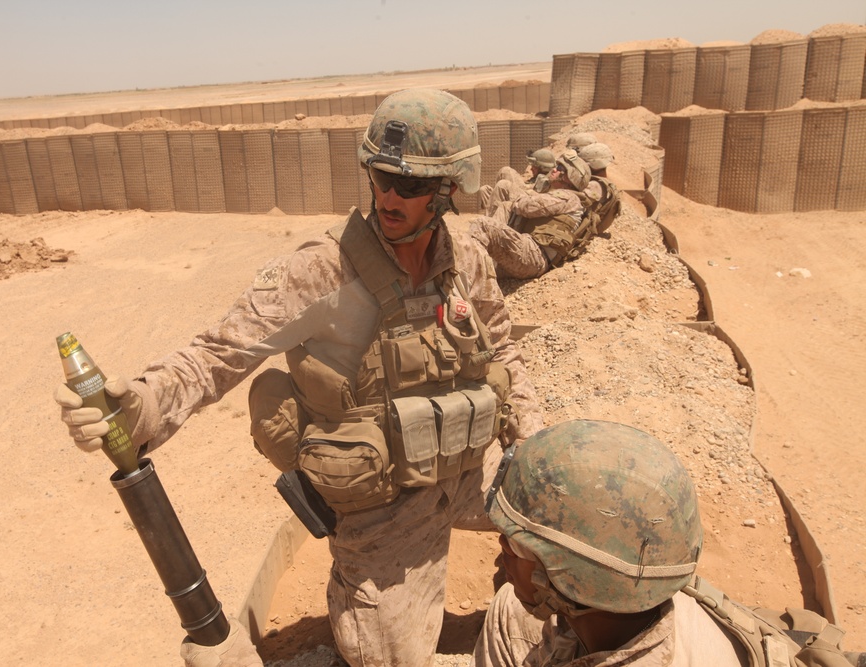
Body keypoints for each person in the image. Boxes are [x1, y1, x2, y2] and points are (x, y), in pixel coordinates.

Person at [56, 87, 543, 667]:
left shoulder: (467, 258)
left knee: (572, 521)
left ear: (447, 189)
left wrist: (534, 452)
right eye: (379, 176)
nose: (389, 196)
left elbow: (505, 352)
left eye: (410, 186)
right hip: (386, 513)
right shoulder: (317, 271)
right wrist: (140, 405)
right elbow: (216, 353)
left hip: (466, 471)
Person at [474, 419, 864, 667]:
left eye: (517, 544)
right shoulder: (639, 595)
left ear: (577, 579)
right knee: (510, 609)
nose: (502, 549)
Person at [468, 149, 594, 279]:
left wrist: (517, 197)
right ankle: (482, 264)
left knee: (483, 224)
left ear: (570, 177)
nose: (554, 169)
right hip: (532, 253)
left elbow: (527, 207)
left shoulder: (567, 197)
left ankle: (472, 272)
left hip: (535, 256)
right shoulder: (568, 197)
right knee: (503, 205)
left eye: (560, 167)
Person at [479, 148, 556, 216]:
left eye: (534, 167)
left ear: (543, 167)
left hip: (527, 202)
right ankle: (495, 215)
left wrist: (527, 188)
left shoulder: (548, 180)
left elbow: (536, 196)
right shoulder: (538, 177)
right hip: (519, 199)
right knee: (484, 190)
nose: (531, 169)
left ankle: (490, 221)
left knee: (503, 182)